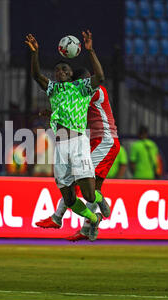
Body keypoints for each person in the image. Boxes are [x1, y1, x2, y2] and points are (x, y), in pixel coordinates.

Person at [25, 31, 106, 241]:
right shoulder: (53, 90)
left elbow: (101, 77)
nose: (60, 71)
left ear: (71, 74)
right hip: (60, 146)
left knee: (89, 195)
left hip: (79, 143)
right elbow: (36, 76)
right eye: (57, 69)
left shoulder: (82, 87)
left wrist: (90, 51)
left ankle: (100, 199)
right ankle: (94, 219)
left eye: (64, 68)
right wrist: (35, 53)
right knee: (69, 199)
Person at [36, 67, 121, 242]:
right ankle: (87, 225)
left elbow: (70, 102)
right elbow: (69, 112)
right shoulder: (81, 93)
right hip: (94, 141)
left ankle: (58, 217)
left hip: (106, 141)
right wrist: (52, 114)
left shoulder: (96, 91)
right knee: (88, 186)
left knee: (77, 181)